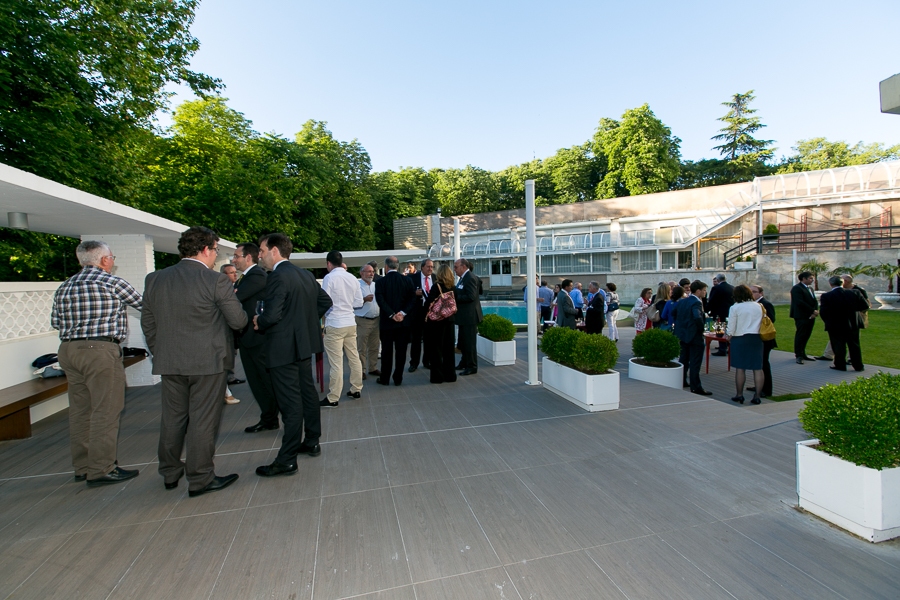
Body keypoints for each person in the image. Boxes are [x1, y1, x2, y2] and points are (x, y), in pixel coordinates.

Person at [141, 226, 247, 496]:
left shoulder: (155, 279)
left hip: (170, 362)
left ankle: (169, 472)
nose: (216, 255)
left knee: (172, 418)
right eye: (215, 250)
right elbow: (238, 321)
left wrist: (160, 351)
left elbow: (148, 323)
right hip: (208, 363)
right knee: (203, 420)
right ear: (205, 249)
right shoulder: (215, 280)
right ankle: (200, 478)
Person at [51, 240, 143, 486]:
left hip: (68, 350)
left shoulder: (65, 286)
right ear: (104, 260)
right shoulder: (112, 282)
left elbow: (56, 322)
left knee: (80, 410)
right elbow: (144, 305)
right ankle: (101, 468)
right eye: (112, 257)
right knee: (106, 409)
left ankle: (83, 467)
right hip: (100, 350)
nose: (112, 261)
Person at [253, 233, 333, 477]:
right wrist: (303, 322)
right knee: (307, 394)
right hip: (302, 345)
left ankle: (287, 459)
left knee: (290, 403)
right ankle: (312, 441)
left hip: (283, 348)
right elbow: (325, 301)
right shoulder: (305, 274)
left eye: (261, 250)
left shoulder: (277, 276)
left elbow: (271, 315)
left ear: (274, 251)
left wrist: (259, 321)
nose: (259, 256)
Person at [232, 243, 279, 432]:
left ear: (248, 257)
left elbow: (232, 300)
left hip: (258, 339)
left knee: (266, 382)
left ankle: (286, 419)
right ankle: (269, 419)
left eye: (236, 256)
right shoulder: (244, 278)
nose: (233, 260)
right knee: (256, 382)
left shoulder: (256, 276)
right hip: (247, 338)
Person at [320, 250, 365, 408]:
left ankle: (333, 397)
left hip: (335, 323)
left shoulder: (329, 278)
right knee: (354, 357)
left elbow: (325, 301)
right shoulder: (352, 277)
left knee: (336, 363)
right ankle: (356, 389)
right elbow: (359, 302)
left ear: (329, 263)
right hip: (350, 322)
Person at [375, 256, 416, 385]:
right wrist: (402, 313)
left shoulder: (380, 282)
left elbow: (380, 301)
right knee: (401, 351)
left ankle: (385, 378)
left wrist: (392, 314)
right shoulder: (407, 280)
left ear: (386, 267)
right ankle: (398, 378)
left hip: (387, 323)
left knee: (386, 351)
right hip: (403, 323)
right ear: (397, 267)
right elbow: (412, 299)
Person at [815, 275, 870, 363]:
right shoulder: (853, 292)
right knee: (849, 343)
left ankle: (843, 362)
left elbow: (866, 305)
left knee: (842, 343)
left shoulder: (857, 291)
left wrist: (851, 312)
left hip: (844, 321)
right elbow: (864, 306)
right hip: (849, 321)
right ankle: (830, 355)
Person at [726, 285, 765, 405]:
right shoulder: (759, 306)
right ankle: (757, 396)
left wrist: (728, 336)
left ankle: (739, 394)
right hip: (756, 337)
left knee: (740, 368)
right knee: (757, 368)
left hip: (740, 337)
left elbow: (731, 326)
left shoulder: (735, 307)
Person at [672, 280, 713, 396]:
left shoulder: (683, 301)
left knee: (684, 359)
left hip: (682, 334)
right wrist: (701, 329)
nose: (705, 292)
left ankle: (682, 380)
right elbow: (697, 317)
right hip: (694, 336)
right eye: (704, 290)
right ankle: (696, 387)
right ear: (698, 291)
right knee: (695, 361)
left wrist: (681, 325)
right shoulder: (696, 303)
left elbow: (674, 313)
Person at [423, 263, 458, 384]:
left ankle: (437, 377)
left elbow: (429, 303)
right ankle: (450, 375)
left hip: (437, 322)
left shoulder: (436, 286)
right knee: (449, 349)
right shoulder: (453, 287)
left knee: (437, 349)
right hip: (450, 320)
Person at [454, 258, 484, 375]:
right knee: (463, 342)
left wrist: (455, 298)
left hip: (470, 317)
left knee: (469, 343)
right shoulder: (464, 278)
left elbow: (471, 296)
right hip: (464, 317)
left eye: (456, 267)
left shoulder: (470, 278)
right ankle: (464, 362)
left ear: (463, 267)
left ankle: (472, 366)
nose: (454, 269)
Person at [219, 263, 241, 405]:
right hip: (222, 332)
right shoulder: (221, 289)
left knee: (230, 357)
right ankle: (225, 391)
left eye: (235, 272)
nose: (235, 274)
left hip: (230, 332)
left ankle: (227, 383)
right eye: (231, 272)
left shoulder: (236, 287)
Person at [749, 285, 776, 398]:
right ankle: (759, 385)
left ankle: (767, 389)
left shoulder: (765, 304)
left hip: (765, 339)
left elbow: (771, 319)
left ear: (761, 293)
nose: (752, 294)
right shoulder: (753, 304)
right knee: (757, 364)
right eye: (750, 292)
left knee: (764, 364)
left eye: (754, 292)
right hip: (756, 338)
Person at [408, 258, 434, 373]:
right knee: (416, 339)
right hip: (417, 313)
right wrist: (414, 293)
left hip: (431, 313)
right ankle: (414, 363)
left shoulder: (435, 278)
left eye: (432, 267)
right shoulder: (413, 278)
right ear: (422, 267)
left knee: (429, 339)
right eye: (428, 266)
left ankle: (427, 361)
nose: (430, 269)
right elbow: (406, 292)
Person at [355, 264, 381, 380]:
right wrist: (364, 300)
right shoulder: (357, 286)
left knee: (374, 346)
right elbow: (352, 302)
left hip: (376, 320)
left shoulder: (376, 285)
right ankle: (361, 370)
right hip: (363, 320)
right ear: (362, 273)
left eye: (372, 272)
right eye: (369, 271)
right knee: (361, 347)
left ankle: (372, 367)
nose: (371, 274)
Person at [790, 271, 819, 364]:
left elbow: (814, 301)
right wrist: (812, 311)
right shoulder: (797, 288)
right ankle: (798, 355)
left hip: (810, 315)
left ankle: (803, 353)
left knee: (807, 335)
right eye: (810, 278)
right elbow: (799, 302)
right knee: (801, 335)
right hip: (801, 315)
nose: (812, 280)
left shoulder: (810, 288)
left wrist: (815, 311)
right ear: (804, 278)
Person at [707, 274, 734, 355]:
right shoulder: (732, 287)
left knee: (720, 330)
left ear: (717, 280)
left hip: (719, 312)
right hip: (730, 312)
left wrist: (707, 309)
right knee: (727, 330)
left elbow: (712, 301)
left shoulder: (716, 288)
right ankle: (727, 346)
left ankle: (722, 349)